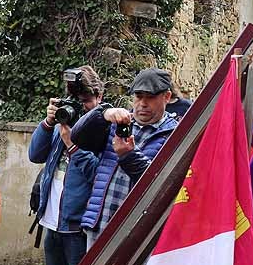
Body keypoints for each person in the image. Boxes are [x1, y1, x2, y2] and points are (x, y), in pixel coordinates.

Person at [72, 67, 179, 247]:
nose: (143, 103)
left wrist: (128, 156)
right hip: (101, 223)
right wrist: (103, 113)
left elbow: (161, 184)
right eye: (138, 96)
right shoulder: (118, 123)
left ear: (166, 97)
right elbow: (77, 136)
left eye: (150, 97)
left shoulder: (175, 135)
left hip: (140, 233)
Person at [28, 65, 104, 265]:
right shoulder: (64, 121)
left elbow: (98, 175)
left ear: (100, 96)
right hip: (52, 221)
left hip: (77, 225)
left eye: (87, 100)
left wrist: (73, 146)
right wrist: (49, 123)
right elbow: (35, 155)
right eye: (76, 100)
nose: (81, 107)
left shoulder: (103, 128)